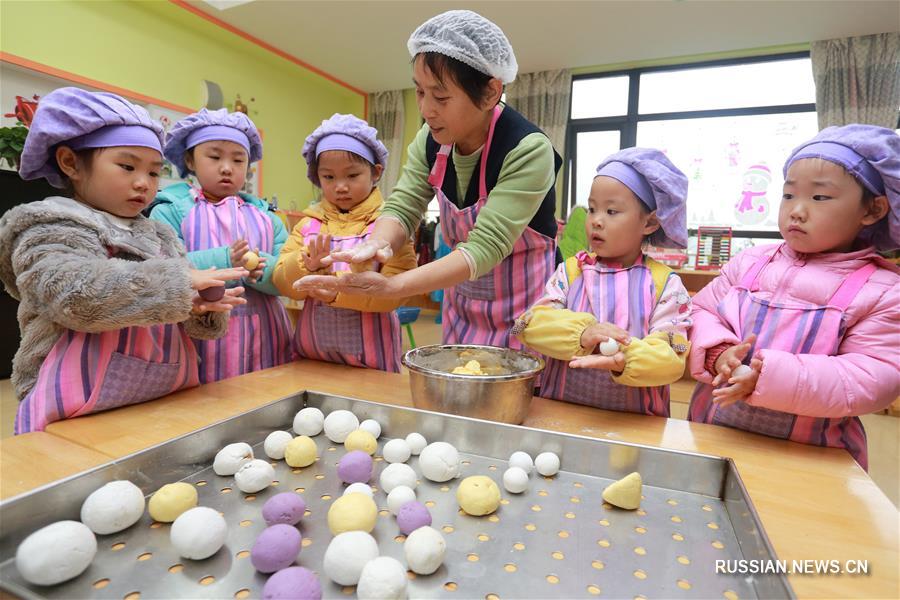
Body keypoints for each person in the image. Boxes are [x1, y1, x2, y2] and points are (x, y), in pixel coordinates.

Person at [296, 10, 561, 349]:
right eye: (420, 92)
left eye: (441, 96)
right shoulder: (430, 139)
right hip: (464, 307)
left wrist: (396, 286)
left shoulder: (526, 149)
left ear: (491, 93)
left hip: (527, 310)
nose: (426, 109)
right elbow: (404, 206)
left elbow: (485, 247)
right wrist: (376, 243)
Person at [0, 88, 245, 433]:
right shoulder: (49, 223)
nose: (144, 183)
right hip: (74, 409)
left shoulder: (158, 234)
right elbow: (73, 294)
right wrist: (179, 282)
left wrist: (201, 308)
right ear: (71, 163)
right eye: (127, 166)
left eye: (155, 172)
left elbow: (178, 307)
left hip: (164, 396)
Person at [688, 125, 900, 470]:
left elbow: (872, 377)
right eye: (789, 196)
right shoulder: (750, 263)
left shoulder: (883, 290)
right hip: (714, 433)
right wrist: (717, 349)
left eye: (819, 197)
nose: (796, 210)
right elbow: (702, 311)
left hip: (811, 456)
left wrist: (768, 378)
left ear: (873, 210)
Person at [515, 148, 692, 415]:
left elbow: (672, 356)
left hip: (633, 423)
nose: (596, 221)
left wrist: (625, 359)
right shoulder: (572, 271)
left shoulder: (665, 284)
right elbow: (530, 326)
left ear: (650, 223)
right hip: (562, 412)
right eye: (593, 209)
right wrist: (582, 333)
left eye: (611, 211)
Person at [150, 108, 293, 382]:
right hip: (199, 335)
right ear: (190, 160)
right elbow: (166, 271)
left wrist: (259, 270)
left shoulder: (267, 217)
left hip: (266, 338)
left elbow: (285, 279)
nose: (227, 167)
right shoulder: (170, 210)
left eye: (238, 160)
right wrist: (227, 261)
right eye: (214, 157)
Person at [273, 114, 417, 372]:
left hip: (372, 364)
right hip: (312, 357)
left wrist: (337, 293)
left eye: (352, 175)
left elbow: (397, 292)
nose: (340, 186)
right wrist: (306, 265)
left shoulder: (389, 226)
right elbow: (283, 283)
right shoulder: (309, 224)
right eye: (328, 177)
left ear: (376, 172)